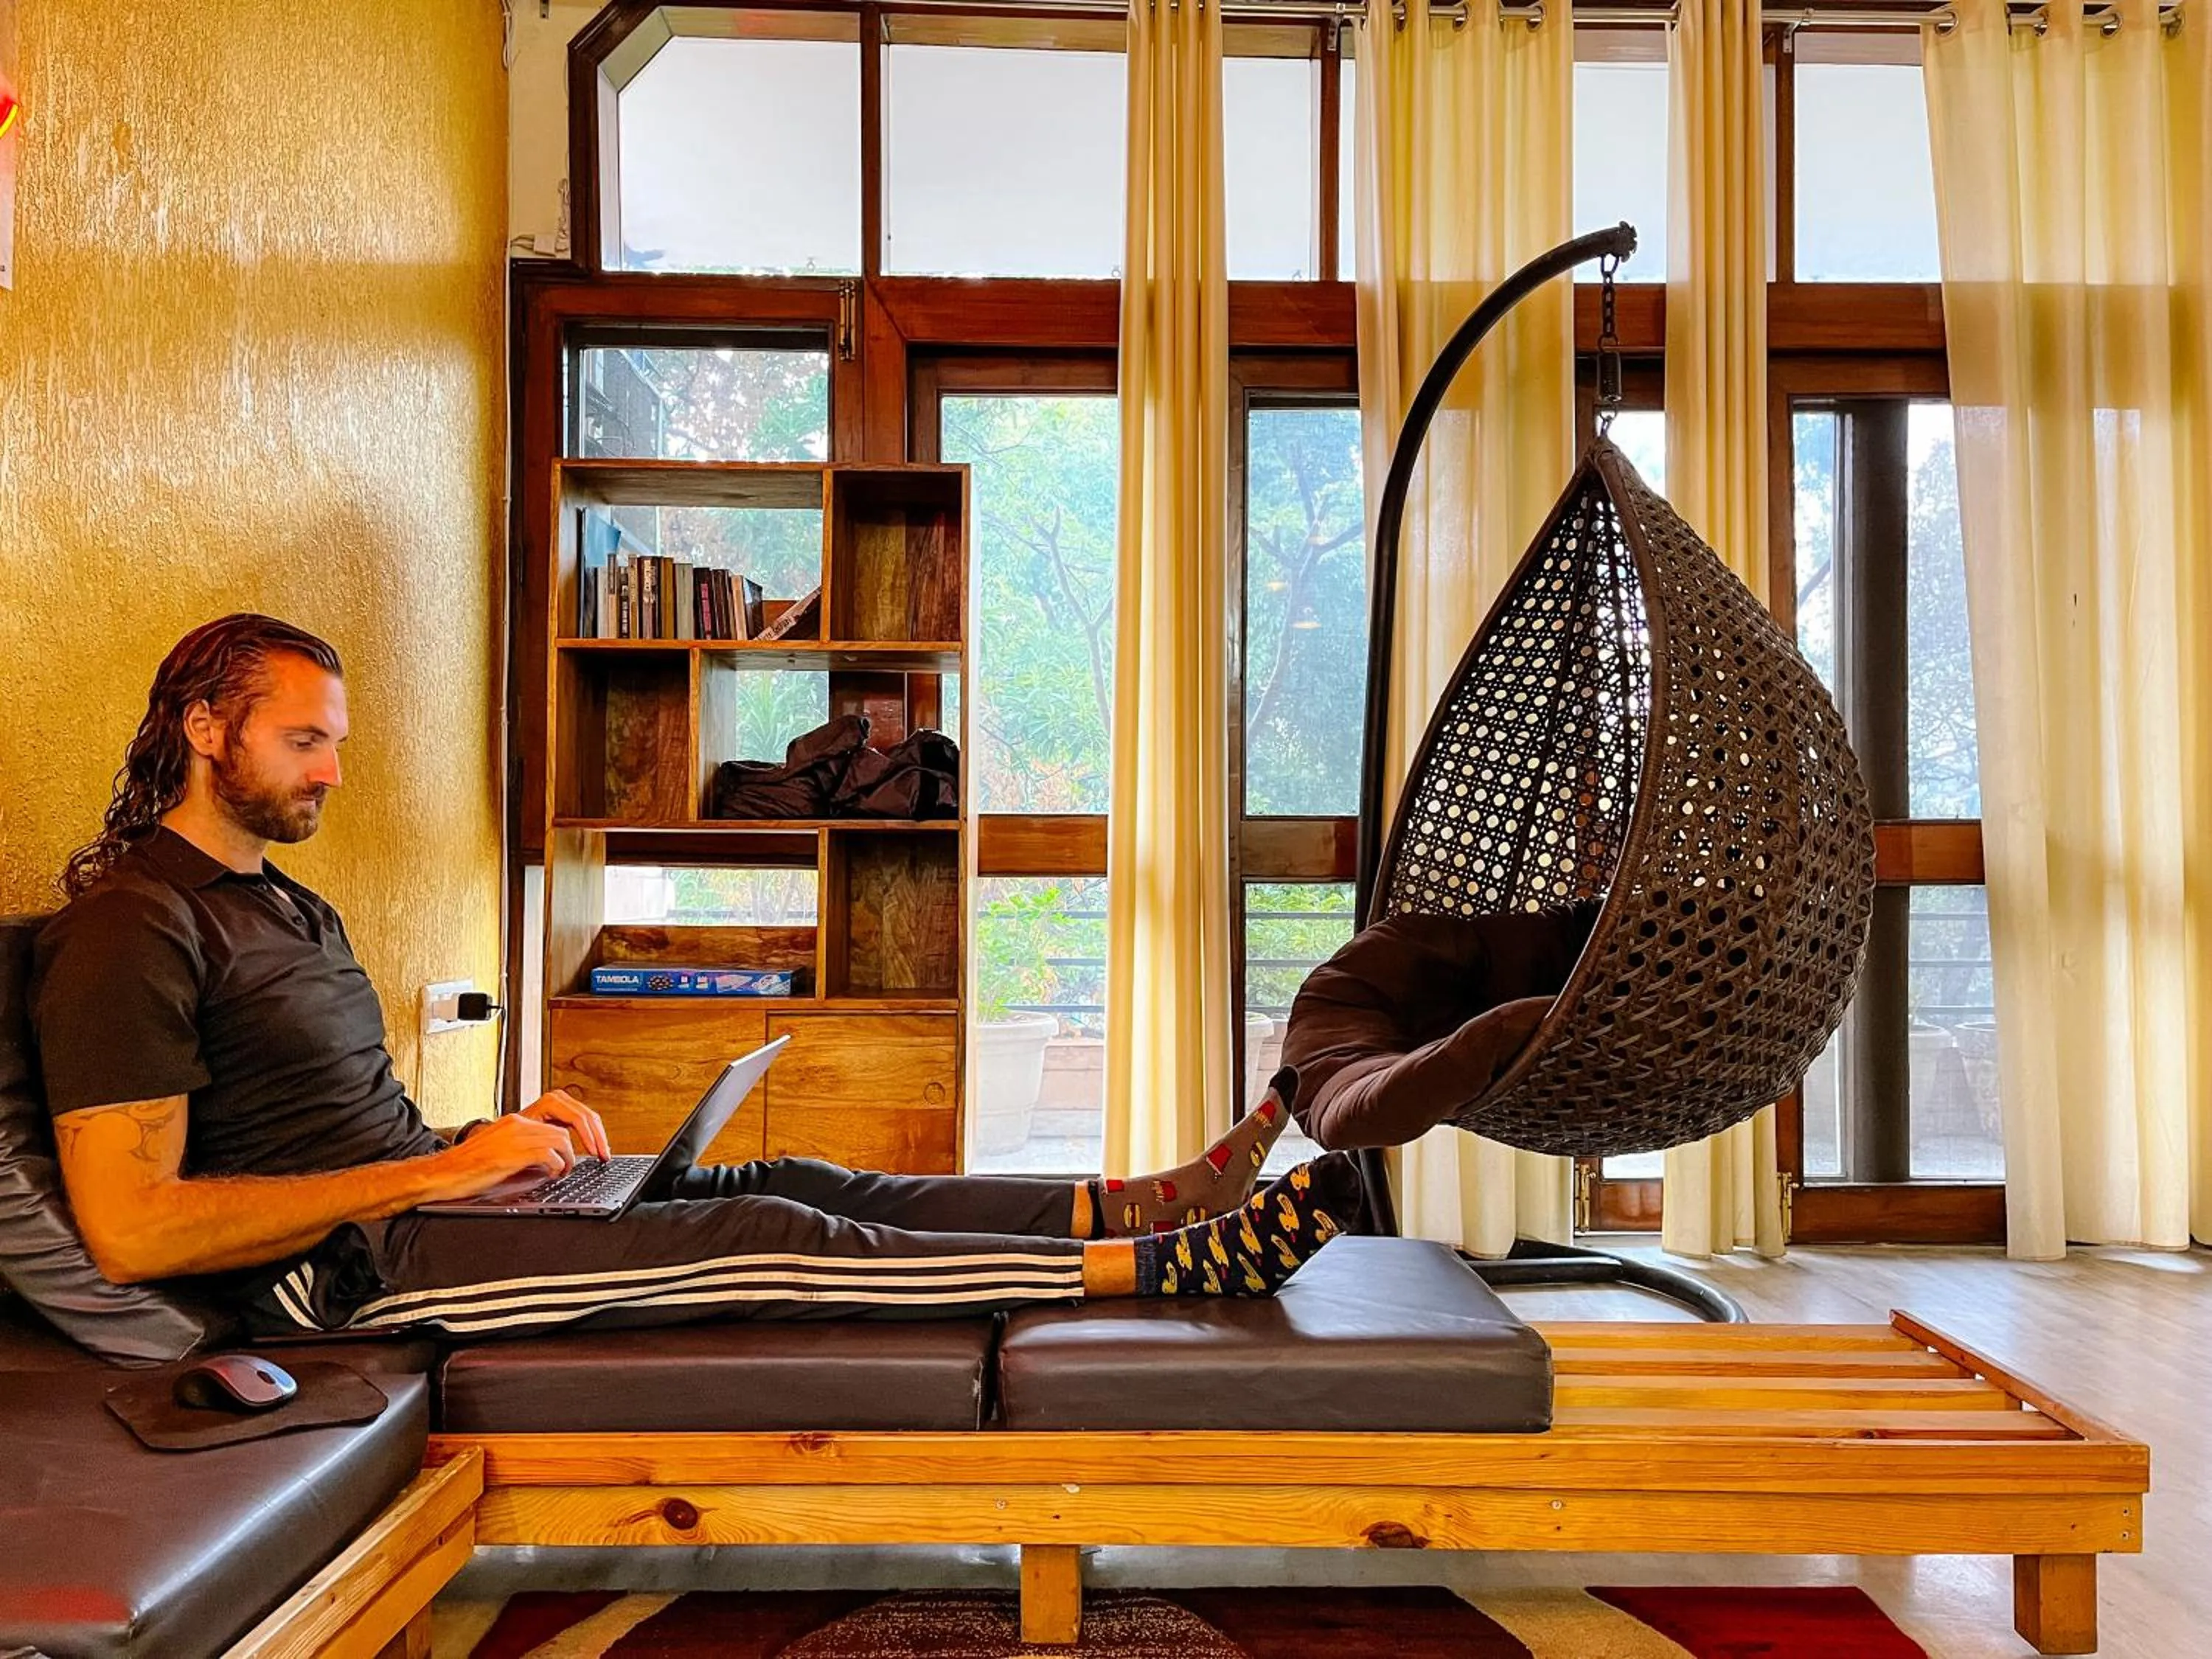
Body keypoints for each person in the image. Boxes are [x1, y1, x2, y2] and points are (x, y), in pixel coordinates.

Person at [32, 615, 1360, 1342]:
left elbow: (336, 1125)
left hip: (441, 1206)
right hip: (351, 1281)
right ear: (205, 729)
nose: (333, 770)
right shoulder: (131, 928)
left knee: (805, 1178)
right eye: (304, 741)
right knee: (769, 1237)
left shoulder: (278, 900)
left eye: (336, 741)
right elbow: (135, 1230)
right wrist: (442, 1171)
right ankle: (1174, 1271)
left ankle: (1131, 1201)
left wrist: (498, 1140)